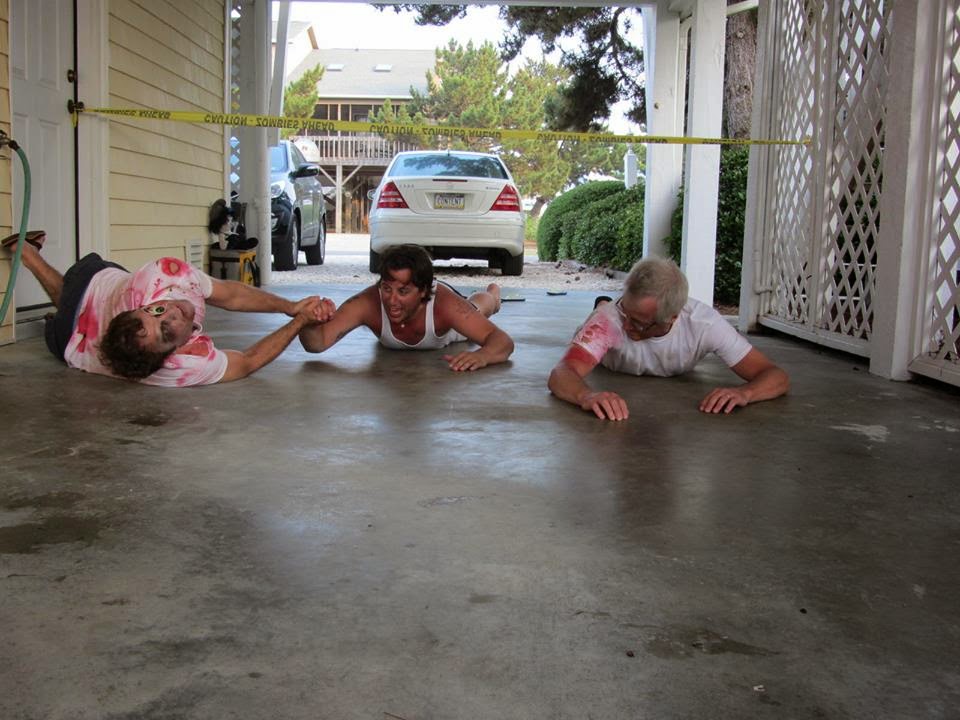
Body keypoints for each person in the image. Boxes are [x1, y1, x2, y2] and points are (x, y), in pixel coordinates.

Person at [3, 232, 335, 386]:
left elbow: (232, 295)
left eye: (156, 312)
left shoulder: (165, 276)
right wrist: (299, 320)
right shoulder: (180, 365)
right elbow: (247, 362)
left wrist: (291, 307)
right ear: (169, 355)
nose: (171, 312)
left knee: (72, 298)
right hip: (70, 338)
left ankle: (30, 259)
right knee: (69, 307)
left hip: (87, 291)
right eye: (164, 330)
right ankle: (27, 254)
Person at [548, 257, 789, 420]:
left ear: (672, 318)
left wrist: (746, 393)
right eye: (625, 311)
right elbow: (561, 373)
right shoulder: (609, 321)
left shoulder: (704, 323)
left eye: (638, 322)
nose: (626, 325)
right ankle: (603, 303)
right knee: (603, 312)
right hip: (601, 329)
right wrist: (586, 396)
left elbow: (775, 376)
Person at [298, 244, 514, 371]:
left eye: (403, 291)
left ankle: (494, 294)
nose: (392, 300)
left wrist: (483, 356)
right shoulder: (367, 302)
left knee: (479, 306)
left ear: (423, 291)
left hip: (453, 325)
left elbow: (502, 342)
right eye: (386, 288)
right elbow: (316, 343)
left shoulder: (445, 304)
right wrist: (309, 321)